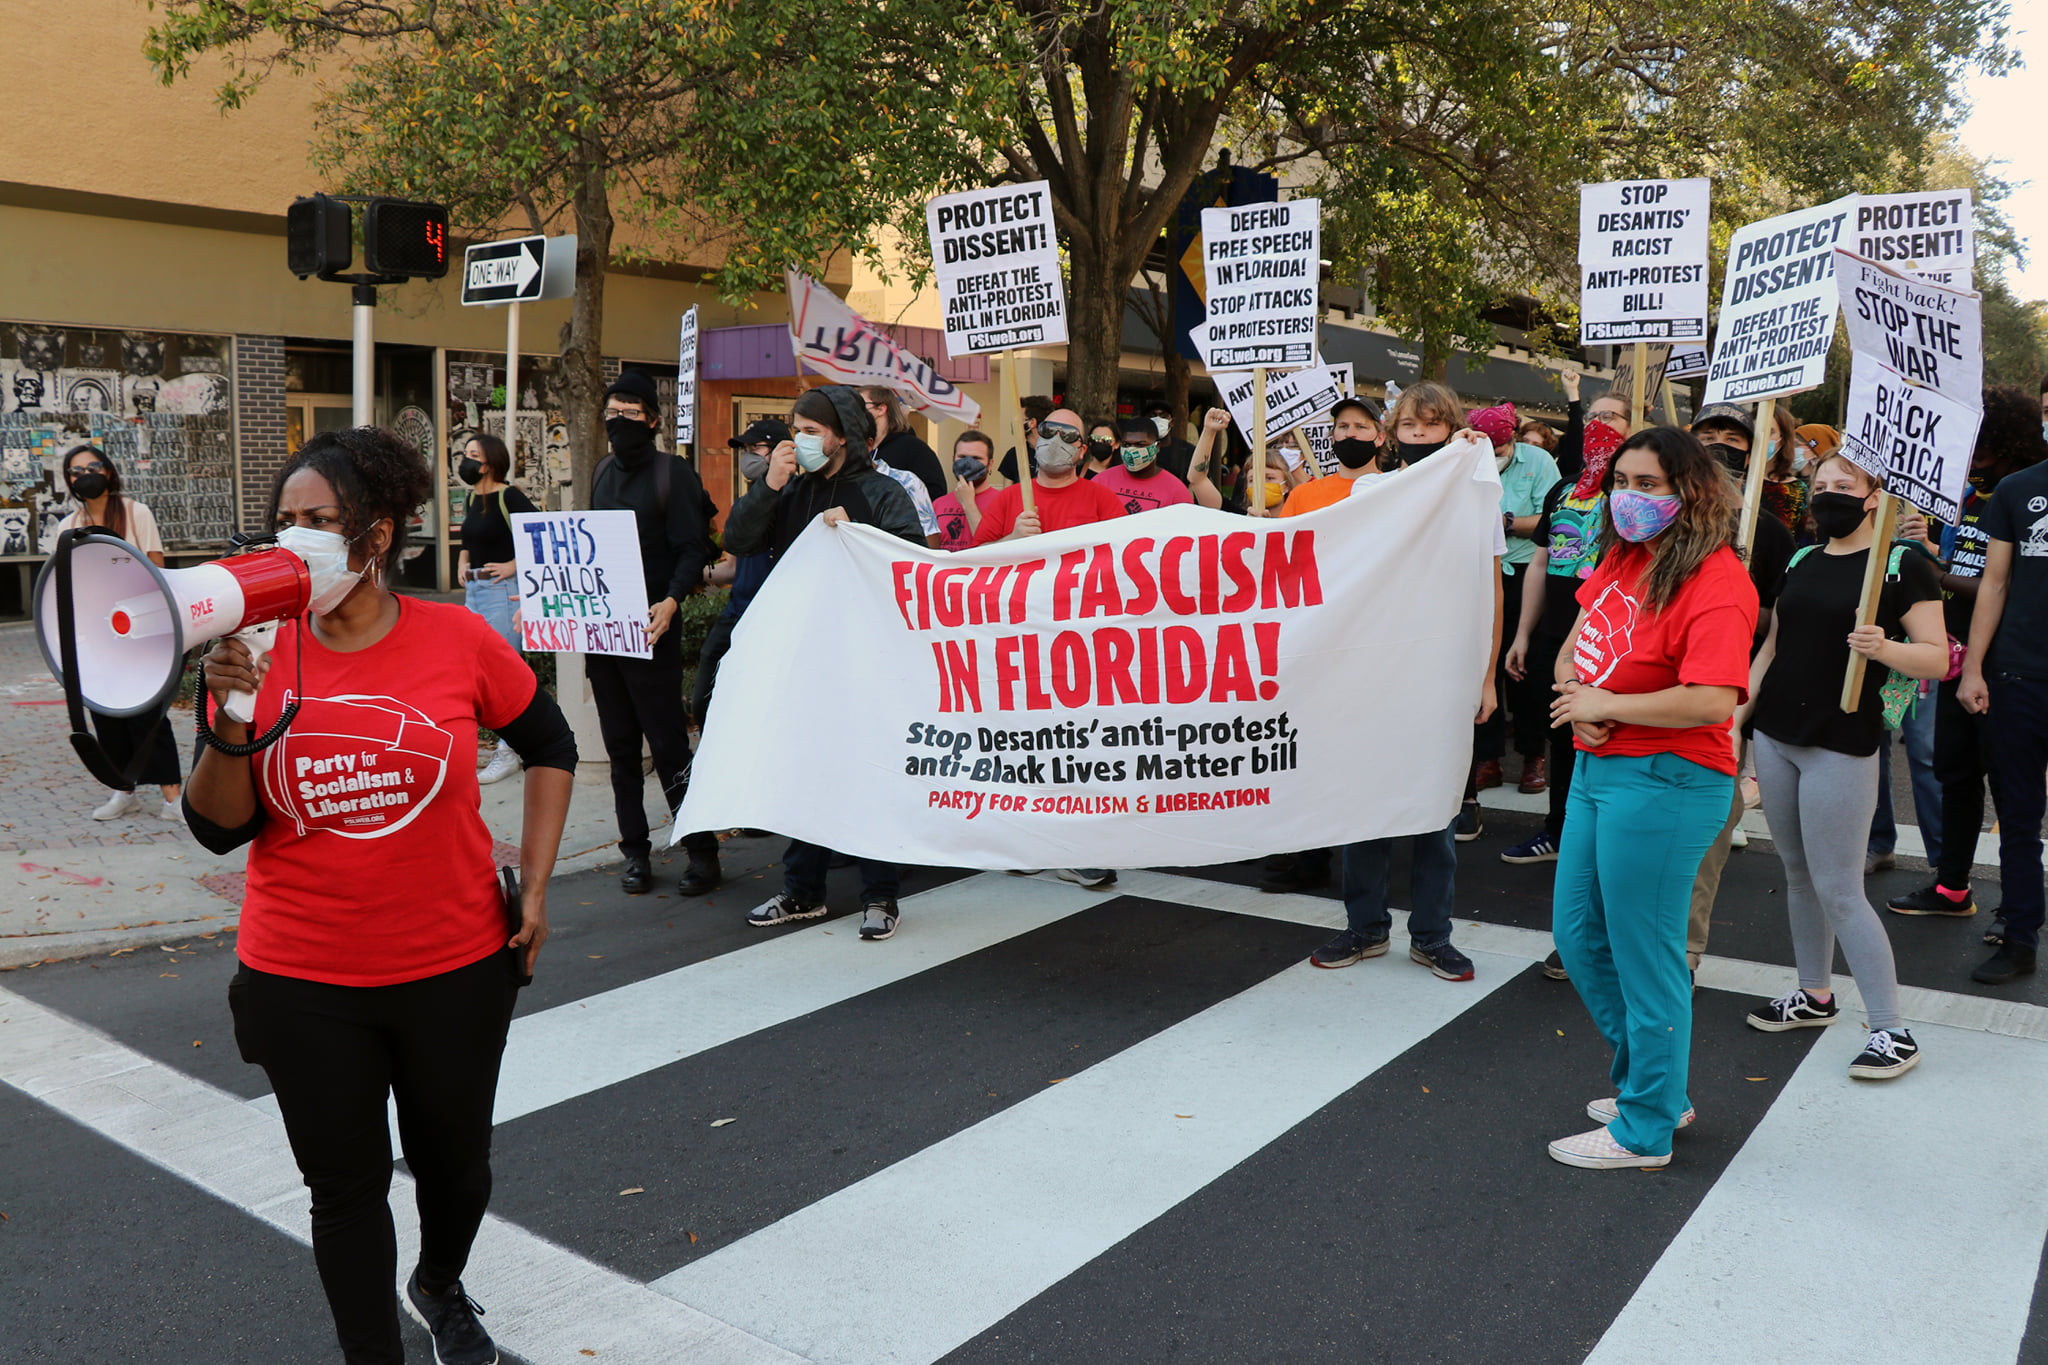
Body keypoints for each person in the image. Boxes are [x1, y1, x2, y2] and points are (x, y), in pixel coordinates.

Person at [185, 426, 575, 1365]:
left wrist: (538, 886)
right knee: (345, 1191)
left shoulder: (458, 637)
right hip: (301, 978)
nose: (296, 538)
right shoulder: (251, 652)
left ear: (376, 534)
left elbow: (552, 743)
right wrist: (231, 713)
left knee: (457, 1171)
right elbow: (217, 825)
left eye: (319, 520)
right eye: (285, 520)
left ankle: (439, 1280)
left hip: (454, 966)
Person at [1546, 425, 1758, 1169]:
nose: (1629, 497)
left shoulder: (1719, 580)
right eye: (1622, 482)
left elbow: (1710, 700)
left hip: (1668, 779)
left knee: (1647, 955)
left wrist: (1612, 707)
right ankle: (1656, 1086)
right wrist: (1580, 691)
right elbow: (1578, 640)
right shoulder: (1621, 553)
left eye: (1648, 485)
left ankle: (1645, 1128)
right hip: (1600, 771)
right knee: (1577, 931)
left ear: (1689, 493)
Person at [1737, 454, 1948, 1076]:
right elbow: (1773, 647)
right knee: (1798, 873)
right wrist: (1738, 718)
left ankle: (1892, 1029)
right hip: (1777, 735)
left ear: (1874, 495)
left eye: (1844, 486)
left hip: (1842, 739)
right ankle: (1814, 992)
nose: (1828, 495)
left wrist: (1885, 648)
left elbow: (1937, 657)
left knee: (1840, 887)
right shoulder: (1802, 558)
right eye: (1820, 485)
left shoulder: (1902, 565)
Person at [1309, 383, 1501, 978]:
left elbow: (1491, 588)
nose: (1421, 436)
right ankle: (1364, 928)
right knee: (1367, 804)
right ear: (1393, 436)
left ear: (1452, 430)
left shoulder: (1476, 492)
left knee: (1436, 809)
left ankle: (1432, 935)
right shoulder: (1370, 490)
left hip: (1443, 671)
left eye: (1433, 426)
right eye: (1410, 427)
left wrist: (1487, 676)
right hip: (1376, 670)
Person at [722, 385, 925, 939]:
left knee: (869, 773)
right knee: (804, 772)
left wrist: (860, 534)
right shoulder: (789, 489)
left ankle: (880, 894)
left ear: (843, 434)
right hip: (802, 654)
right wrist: (769, 485)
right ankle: (801, 891)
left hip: (867, 658)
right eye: (797, 429)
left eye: (811, 430)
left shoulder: (883, 493)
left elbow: (914, 565)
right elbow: (737, 538)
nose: (801, 439)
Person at [1888, 387, 2046, 929]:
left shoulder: (2023, 494)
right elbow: (1958, 566)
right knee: (1955, 774)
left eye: (1982, 437)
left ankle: (2016, 911)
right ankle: (1952, 885)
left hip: (2006, 665)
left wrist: (1941, 575)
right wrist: (1930, 551)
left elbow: (2007, 586)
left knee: (2011, 790)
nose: (1971, 449)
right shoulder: (1966, 496)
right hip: (1953, 658)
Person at [1677, 401, 1797, 971]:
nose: (1721, 443)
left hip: (1720, 701)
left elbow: (1778, 622)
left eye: (1735, 436)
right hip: (1634, 700)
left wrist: (1727, 608)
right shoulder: (1649, 517)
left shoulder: (1769, 533)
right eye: (1709, 432)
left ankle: (1685, 949)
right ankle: (1603, 932)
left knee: (1704, 836)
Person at [587, 371, 715, 897]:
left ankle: (702, 852)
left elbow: (694, 547)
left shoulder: (673, 474)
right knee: (619, 748)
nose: (619, 421)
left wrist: (671, 600)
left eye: (631, 413)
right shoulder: (599, 471)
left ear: (653, 420)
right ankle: (634, 853)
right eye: (612, 412)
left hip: (653, 627)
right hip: (605, 632)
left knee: (667, 746)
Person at [1502, 418, 1628, 902]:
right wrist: (1523, 634)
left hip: (1607, 638)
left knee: (1598, 741)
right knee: (1560, 736)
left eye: (1613, 418)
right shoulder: (1563, 489)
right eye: (1594, 415)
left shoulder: (1629, 498)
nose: (1600, 426)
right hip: (1556, 634)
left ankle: (1599, 844)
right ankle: (1559, 831)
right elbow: (1540, 561)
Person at [672, 418, 790, 892]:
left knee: (770, 715)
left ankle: (766, 804)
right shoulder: (747, 503)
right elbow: (735, 564)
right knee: (705, 702)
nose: (749, 456)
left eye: (758, 447)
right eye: (744, 447)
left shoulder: (797, 500)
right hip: (735, 615)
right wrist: (694, 575)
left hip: (775, 620)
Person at [1958, 385, 2048, 984]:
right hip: (2021, 675)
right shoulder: (2018, 489)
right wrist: (1973, 667)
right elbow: (1993, 583)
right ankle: (2019, 937)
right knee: (2018, 815)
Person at [55, 444, 184, 822]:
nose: (86, 475)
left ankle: (172, 797)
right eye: (76, 471)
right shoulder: (68, 528)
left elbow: (157, 568)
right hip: (96, 636)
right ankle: (122, 788)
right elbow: (67, 584)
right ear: (69, 481)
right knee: (106, 714)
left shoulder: (135, 513)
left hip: (141, 627)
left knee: (148, 713)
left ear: (109, 471)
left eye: (93, 466)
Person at [1470, 402, 1562, 795]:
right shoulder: (1465, 458)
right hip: (1477, 573)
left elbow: (1550, 519)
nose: (1497, 454)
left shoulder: (1539, 461)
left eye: (1502, 446)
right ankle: (1487, 759)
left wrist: (1503, 522)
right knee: (1480, 667)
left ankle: (1531, 756)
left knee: (1524, 669)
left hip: (1525, 574)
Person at [454, 432, 538, 786]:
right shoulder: (473, 496)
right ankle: (507, 745)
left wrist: (513, 566)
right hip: (474, 591)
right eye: (465, 453)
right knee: (478, 671)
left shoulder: (510, 495)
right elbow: (468, 536)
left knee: (507, 670)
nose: (466, 460)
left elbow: (537, 533)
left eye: (473, 454)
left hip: (502, 591)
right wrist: (462, 560)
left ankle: (509, 751)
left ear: (490, 461)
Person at [972, 407, 1128, 543]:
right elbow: (977, 556)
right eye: (1048, 430)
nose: (1056, 439)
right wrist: (1012, 539)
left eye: (1068, 434)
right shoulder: (1007, 498)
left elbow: (1125, 551)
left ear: (1082, 451)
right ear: (1038, 439)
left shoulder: (1103, 500)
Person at [1091, 415, 1194, 514]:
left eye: (1140, 445)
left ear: (1157, 447)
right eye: (1126, 444)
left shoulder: (1176, 491)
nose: (1131, 450)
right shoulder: (1101, 481)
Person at [863, 385, 947, 499]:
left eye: (861, 405)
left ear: (881, 409)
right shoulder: (860, 448)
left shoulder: (914, 449)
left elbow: (936, 494)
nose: (855, 411)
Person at [932, 431, 993, 550]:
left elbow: (993, 548)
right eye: (962, 457)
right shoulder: (937, 504)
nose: (968, 464)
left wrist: (968, 504)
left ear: (990, 464)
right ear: (953, 459)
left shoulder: (1003, 501)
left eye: (976, 458)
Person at [997, 393, 1055, 484]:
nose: (1015, 423)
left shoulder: (1058, 454)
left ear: (1032, 422)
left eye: (1019, 419)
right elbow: (1007, 492)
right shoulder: (1013, 455)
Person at [1140, 396, 1197, 482]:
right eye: (1153, 415)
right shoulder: (1137, 448)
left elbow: (1198, 482)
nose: (1158, 419)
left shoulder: (1186, 451)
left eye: (1163, 416)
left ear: (1172, 422)